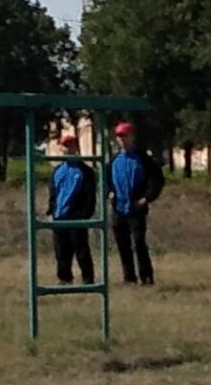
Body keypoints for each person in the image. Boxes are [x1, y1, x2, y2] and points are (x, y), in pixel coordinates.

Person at [108, 121, 164, 285]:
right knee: (122, 244)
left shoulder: (144, 159)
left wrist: (146, 198)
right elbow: (106, 180)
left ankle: (146, 277)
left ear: (132, 137)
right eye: (119, 137)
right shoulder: (114, 160)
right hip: (119, 208)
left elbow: (156, 180)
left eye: (125, 136)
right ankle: (129, 277)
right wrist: (109, 192)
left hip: (136, 207)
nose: (122, 140)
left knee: (139, 242)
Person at [47, 132, 96, 285]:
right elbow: (53, 194)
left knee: (81, 250)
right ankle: (64, 278)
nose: (68, 149)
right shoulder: (57, 171)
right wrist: (51, 211)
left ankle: (88, 280)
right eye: (65, 146)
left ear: (76, 147)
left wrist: (85, 215)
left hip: (77, 217)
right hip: (59, 217)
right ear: (61, 148)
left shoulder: (85, 171)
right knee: (61, 251)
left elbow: (90, 196)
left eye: (71, 145)